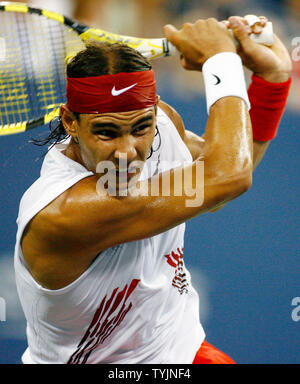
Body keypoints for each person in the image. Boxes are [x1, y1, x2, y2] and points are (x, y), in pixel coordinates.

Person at [14, 16, 291, 364]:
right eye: (106, 132)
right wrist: (222, 61)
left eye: (141, 127)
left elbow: (230, 170)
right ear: (70, 121)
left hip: (183, 350)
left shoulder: (163, 123)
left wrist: (272, 81)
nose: (127, 151)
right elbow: (227, 176)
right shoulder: (66, 211)